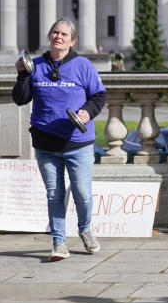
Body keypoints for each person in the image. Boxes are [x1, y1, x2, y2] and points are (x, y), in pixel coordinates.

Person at [12, 18, 107, 261]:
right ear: (49, 36)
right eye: (55, 32)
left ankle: (85, 229)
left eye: (64, 34)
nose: (59, 37)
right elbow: (21, 99)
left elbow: (98, 96)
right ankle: (59, 242)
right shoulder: (36, 65)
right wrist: (22, 75)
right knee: (54, 194)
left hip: (77, 143)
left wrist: (86, 112)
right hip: (45, 142)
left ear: (72, 40)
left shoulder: (83, 65)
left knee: (83, 194)